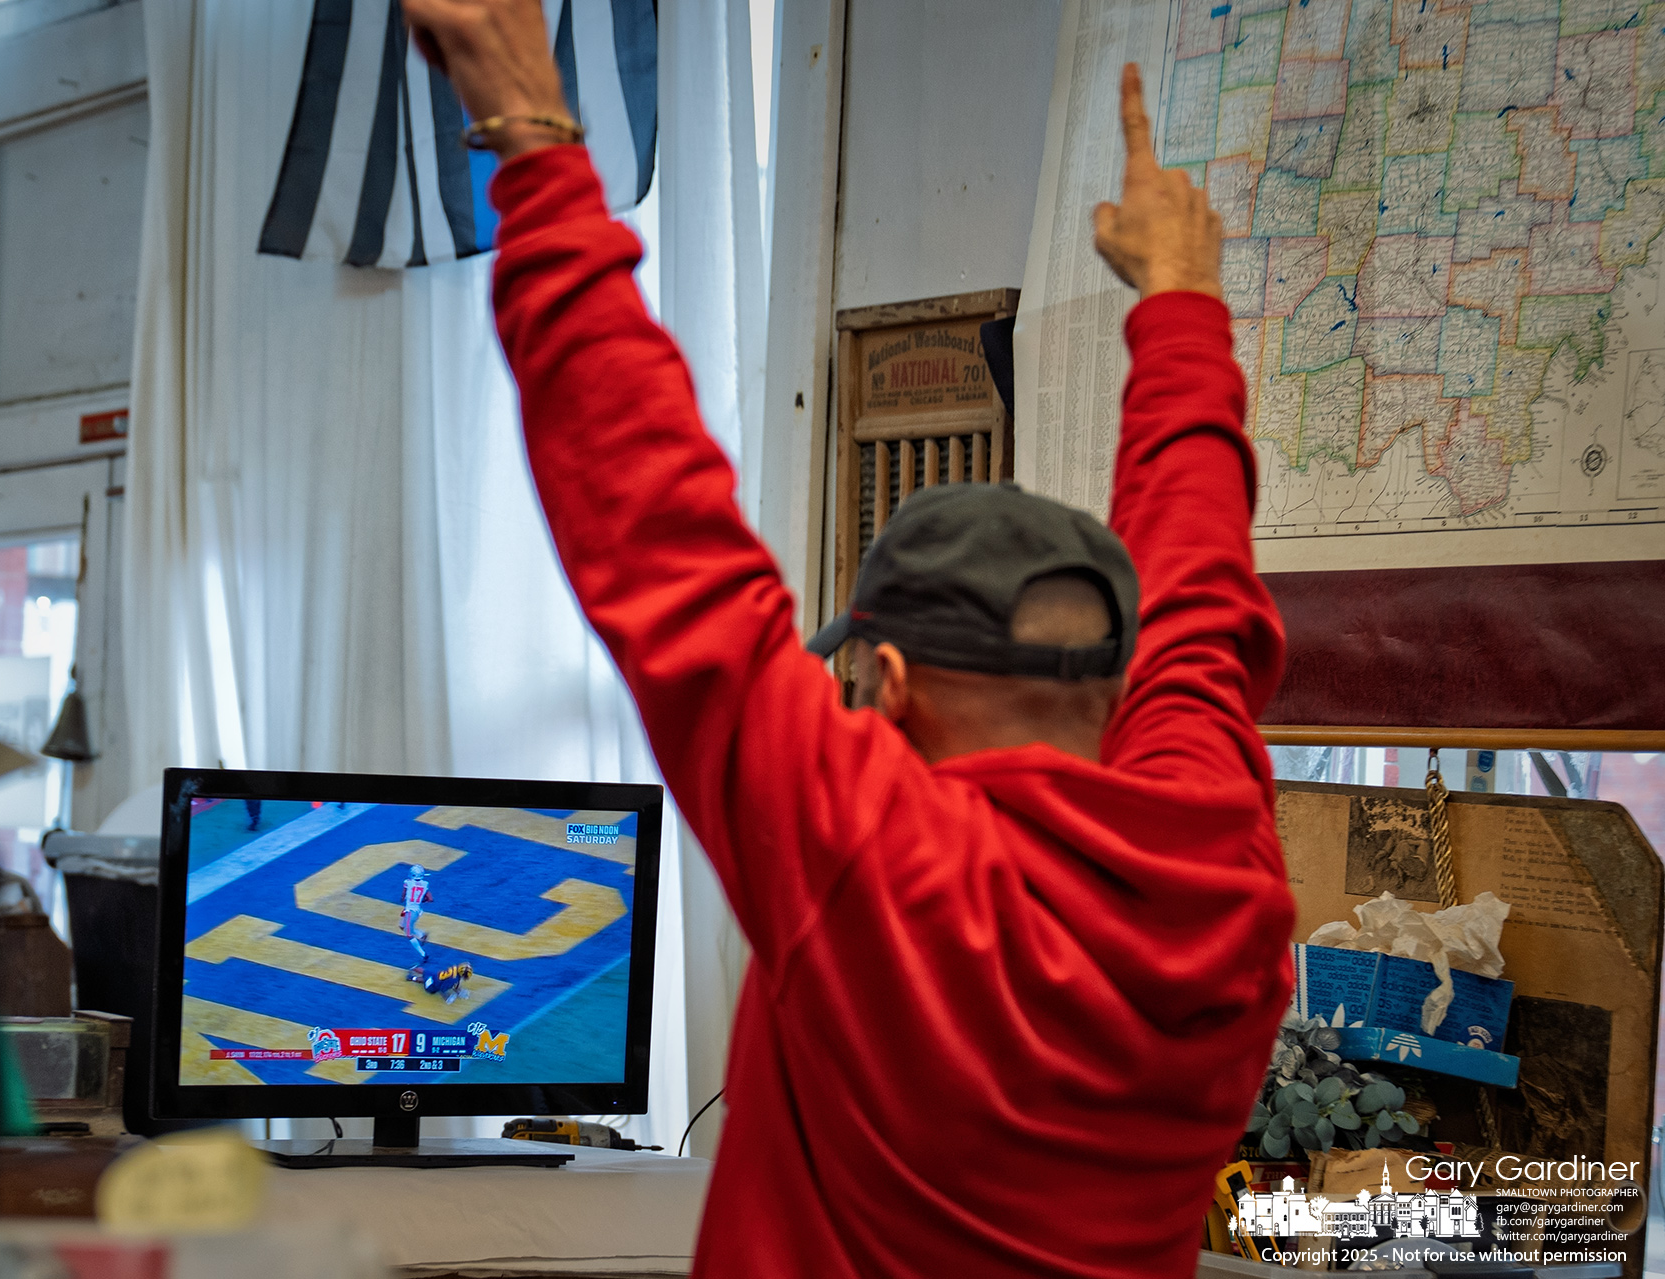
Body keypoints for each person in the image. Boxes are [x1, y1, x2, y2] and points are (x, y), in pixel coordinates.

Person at [400, 4, 1297, 1275]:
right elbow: (1201, 589)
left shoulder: (882, 863)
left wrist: (527, 122)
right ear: (1120, 684)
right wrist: (1185, 305)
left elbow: (657, 528)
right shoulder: (1225, 862)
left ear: (889, 678)